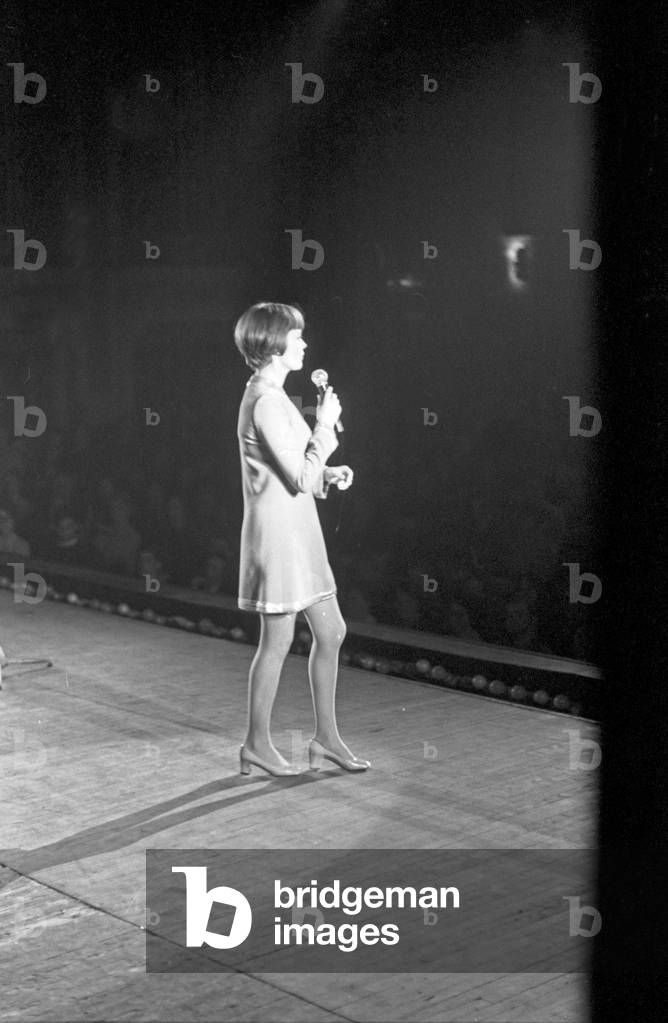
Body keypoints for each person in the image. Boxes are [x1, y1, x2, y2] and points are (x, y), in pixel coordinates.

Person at [234, 301, 370, 776]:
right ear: (274, 344)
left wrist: (328, 473)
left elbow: (303, 473)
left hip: (299, 529)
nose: (305, 343)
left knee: (331, 631)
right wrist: (326, 426)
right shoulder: (268, 401)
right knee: (278, 639)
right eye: (297, 336)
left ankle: (326, 739)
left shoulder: (273, 395)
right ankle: (256, 743)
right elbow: (296, 476)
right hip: (279, 535)